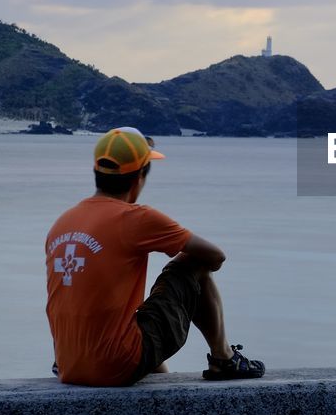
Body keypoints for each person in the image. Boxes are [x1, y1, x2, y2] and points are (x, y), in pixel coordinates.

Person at [44, 126, 265, 385]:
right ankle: (223, 358)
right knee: (192, 263)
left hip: (70, 364)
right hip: (115, 365)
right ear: (140, 177)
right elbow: (215, 257)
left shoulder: (63, 222)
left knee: (134, 318)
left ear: (96, 172)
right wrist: (181, 285)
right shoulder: (136, 218)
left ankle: (162, 379)